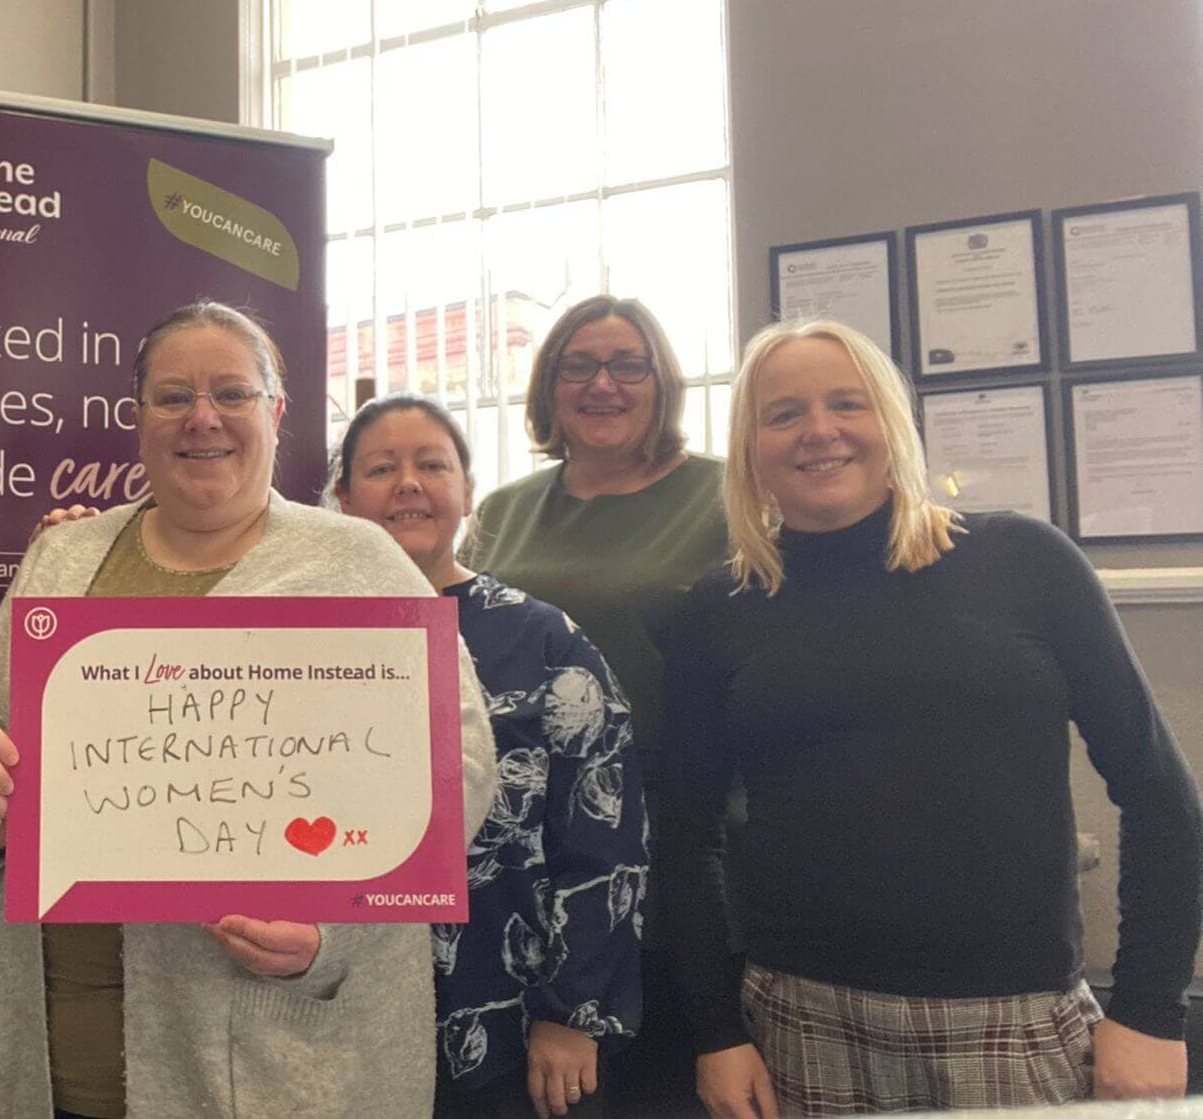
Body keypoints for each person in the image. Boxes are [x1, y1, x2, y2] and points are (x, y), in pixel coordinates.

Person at [0, 301, 497, 1118]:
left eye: (232, 394)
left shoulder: (359, 563)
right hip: (57, 1054)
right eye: (173, 397)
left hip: (272, 1066)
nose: (203, 418)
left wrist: (330, 930)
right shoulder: (64, 558)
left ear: (276, 414)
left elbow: (462, 768)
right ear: (137, 421)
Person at [658, 319, 1203, 1117]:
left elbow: (1159, 795)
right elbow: (686, 831)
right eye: (783, 415)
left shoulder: (1025, 560)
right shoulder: (721, 607)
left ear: (893, 422)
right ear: (749, 448)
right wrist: (715, 1030)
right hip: (798, 1020)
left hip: (1013, 1021)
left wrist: (1152, 1011)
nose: (819, 432)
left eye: (848, 403)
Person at [334, 395, 647, 1119]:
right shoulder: (296, 640)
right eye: (382, 468)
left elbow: (607, 839)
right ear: (343, 499)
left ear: (468, 493)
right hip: (338, 1020)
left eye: (432, 464)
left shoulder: (544, 642)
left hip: (514, 1032)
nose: (408, 482)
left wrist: (571, 1011)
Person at [461, 294, 730, 1117]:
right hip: (515, 840)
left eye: (627, 364)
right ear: (549, 387)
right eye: (579, 365)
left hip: (674, 824)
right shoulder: (505, 510)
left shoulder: (725, 496)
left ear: (662, 383)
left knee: (664, 1073)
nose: (603, 384)